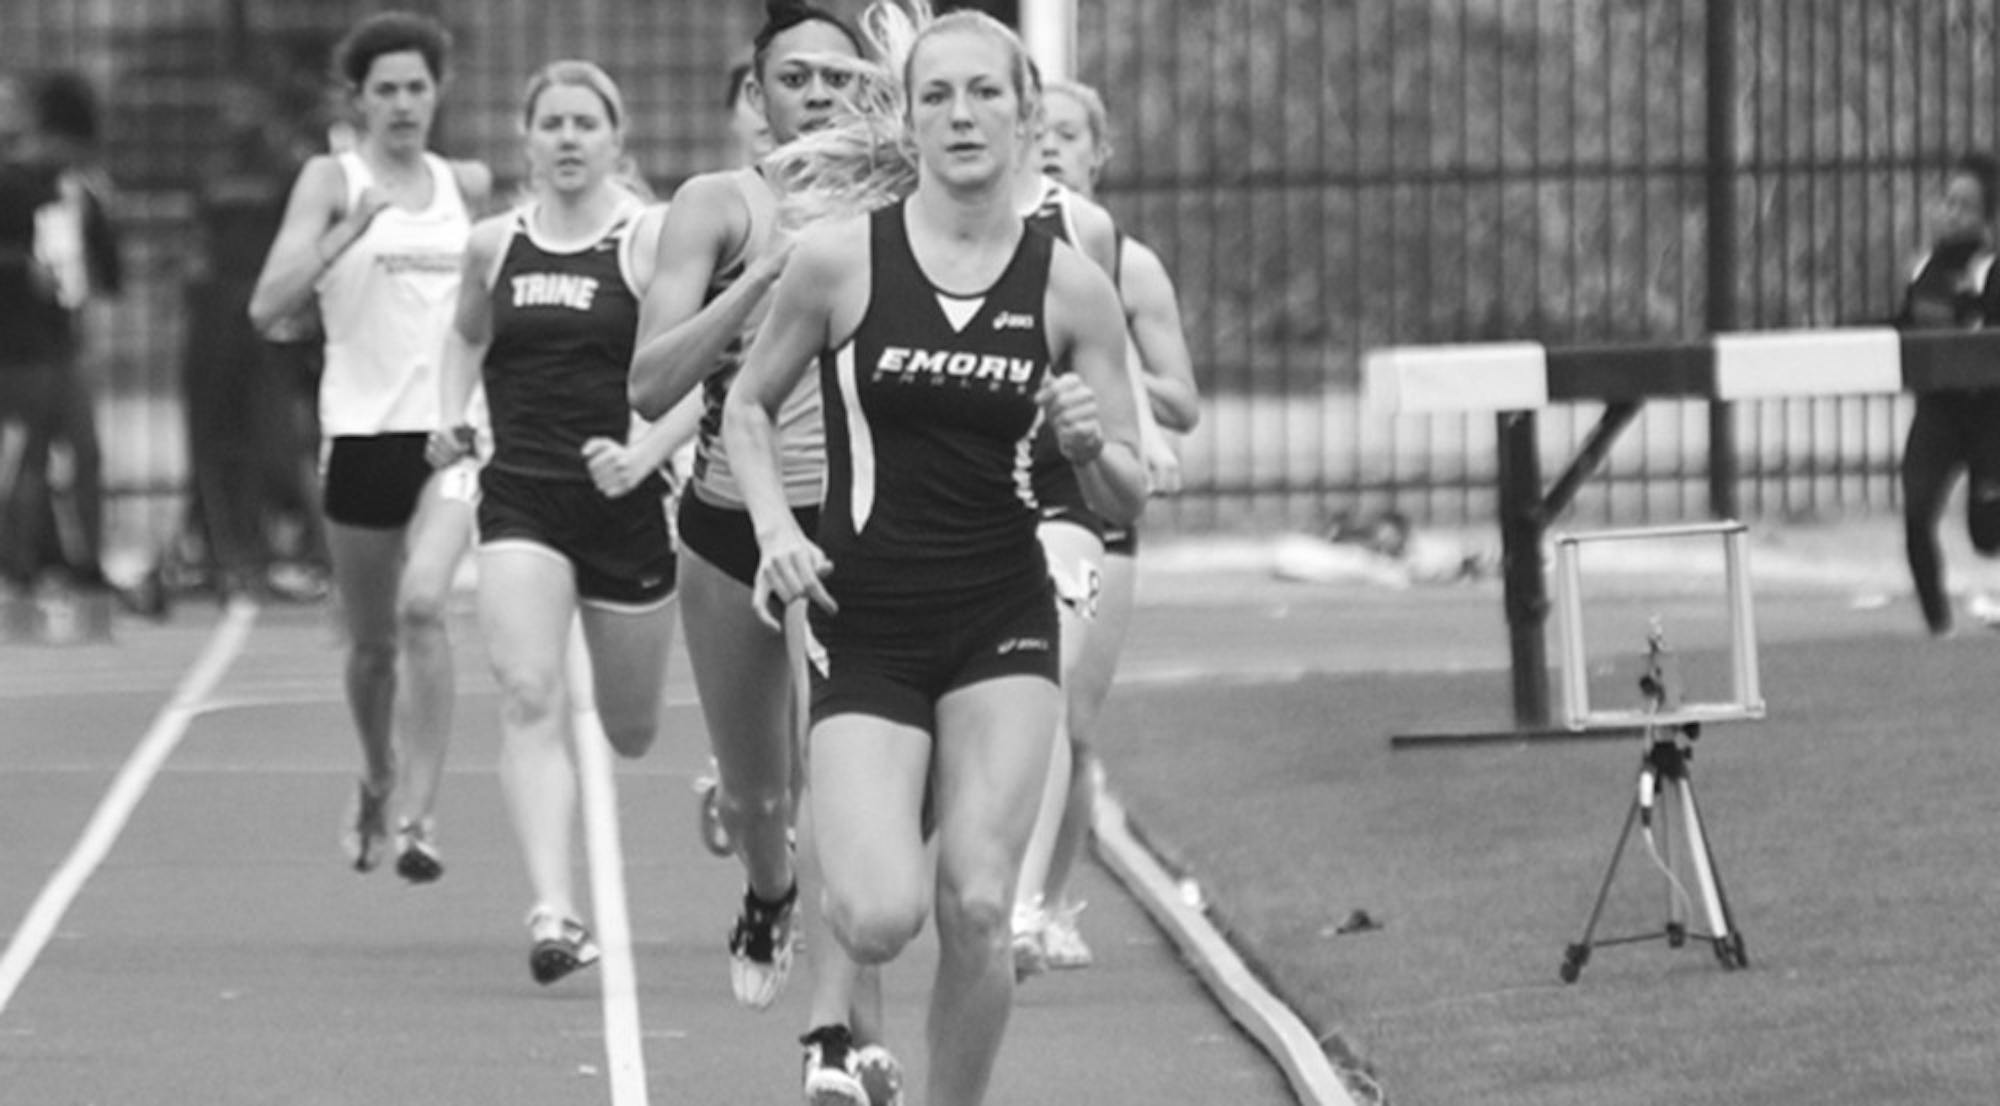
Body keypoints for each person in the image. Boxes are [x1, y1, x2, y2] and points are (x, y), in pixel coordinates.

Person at [724, 9, 1147, 1105]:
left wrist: (1089, 445)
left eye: (984, 93)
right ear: (907, 120)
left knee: (974, 903)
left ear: (1022, 114)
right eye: (936, 95)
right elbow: (745, 407)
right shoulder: (836, 262)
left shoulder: (1071, 285)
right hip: (865, 616)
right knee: (875, 911)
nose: (961, 114)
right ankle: (847, 1000)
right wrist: (774, 527)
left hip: (1001, 618)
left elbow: (1128, 488)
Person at [629, 7, 904, 1099]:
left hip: (852, 532)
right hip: (726, 523)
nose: (822, 94)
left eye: (843, 76)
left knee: (842, 780)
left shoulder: (901, 202)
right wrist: (762, 281)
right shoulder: (716, 207)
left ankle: (836, 1036)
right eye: (797, 77)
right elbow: (647, 384)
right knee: (758, 794)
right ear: (757, 94)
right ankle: (766, 887)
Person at [434, 59, 676, 984]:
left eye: (587, 123)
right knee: (529, 693)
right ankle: (554, 910)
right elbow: (464, 336)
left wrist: (644, 456)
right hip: (522, 497)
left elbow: (694, 365)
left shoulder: (648, 240)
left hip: (625, 505)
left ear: (618, 139)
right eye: (553, 123)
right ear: (526, 141)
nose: (569, 138)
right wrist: (452, 418)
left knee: (632, 729)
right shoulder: (494, 244)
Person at [247, 11, 493, 878]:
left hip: (449, 437)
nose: (401, 104)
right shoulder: (331, 179)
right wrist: (346, 232)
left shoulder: (467, 183)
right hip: (358, 436)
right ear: (358, 99)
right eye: (383, 89)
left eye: (415, 87)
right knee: (372, 649)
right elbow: (266, 305)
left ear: (437, 94)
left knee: (426, 606)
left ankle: (420, 819)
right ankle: (378, 773)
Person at [1010, 76, 1202, 976]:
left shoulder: (1122, 259)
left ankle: (1046, 904)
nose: (1050, 147)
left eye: (1068, 135)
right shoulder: (980, 234)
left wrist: (1114, 372)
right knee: (1015, 701)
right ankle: (1004, 896)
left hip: (1099, 493)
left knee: (1073, 716)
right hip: (1003, 485)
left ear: (1099, 153)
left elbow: (1182, 399)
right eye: (1037, 130)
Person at [1895, 150, 2000, 637]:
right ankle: (1939, 627)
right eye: (1948, 201)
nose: (1950, 212)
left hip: (1989, 415)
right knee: (1917, 510)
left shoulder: (1991, 273)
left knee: (1986, 534)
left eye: (1965, 206)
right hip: (1938, 410)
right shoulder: (1924, 271)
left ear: (1987, 220)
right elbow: (1903, 327)